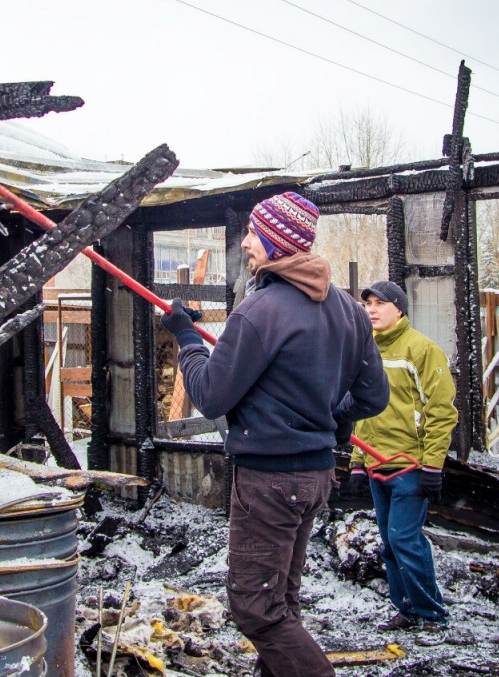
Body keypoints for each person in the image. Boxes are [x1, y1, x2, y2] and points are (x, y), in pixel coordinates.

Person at [160, 191, 389, 677]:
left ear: (278, 241)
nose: (245, 242)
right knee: (280, 600)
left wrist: (185, 336)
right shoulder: (349, 311)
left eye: (253, 232)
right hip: (316, 478)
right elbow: (373, 397)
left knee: (256, 609)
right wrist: (334, 419)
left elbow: (211, 395)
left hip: (269, 482)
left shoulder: (259, 311)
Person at [349, 280, 458, 633]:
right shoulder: (365, 351)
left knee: (404, 539)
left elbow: (441, 412)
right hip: (375, 463)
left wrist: (433, 466)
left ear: (399, 309)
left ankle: (432, 615)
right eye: (368, 304)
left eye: (380, 303)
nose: (372, 310)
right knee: (389, 544)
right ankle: (407, 609)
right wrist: (356, 461)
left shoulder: (422, 350)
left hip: (409, 466)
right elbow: (361, 410)